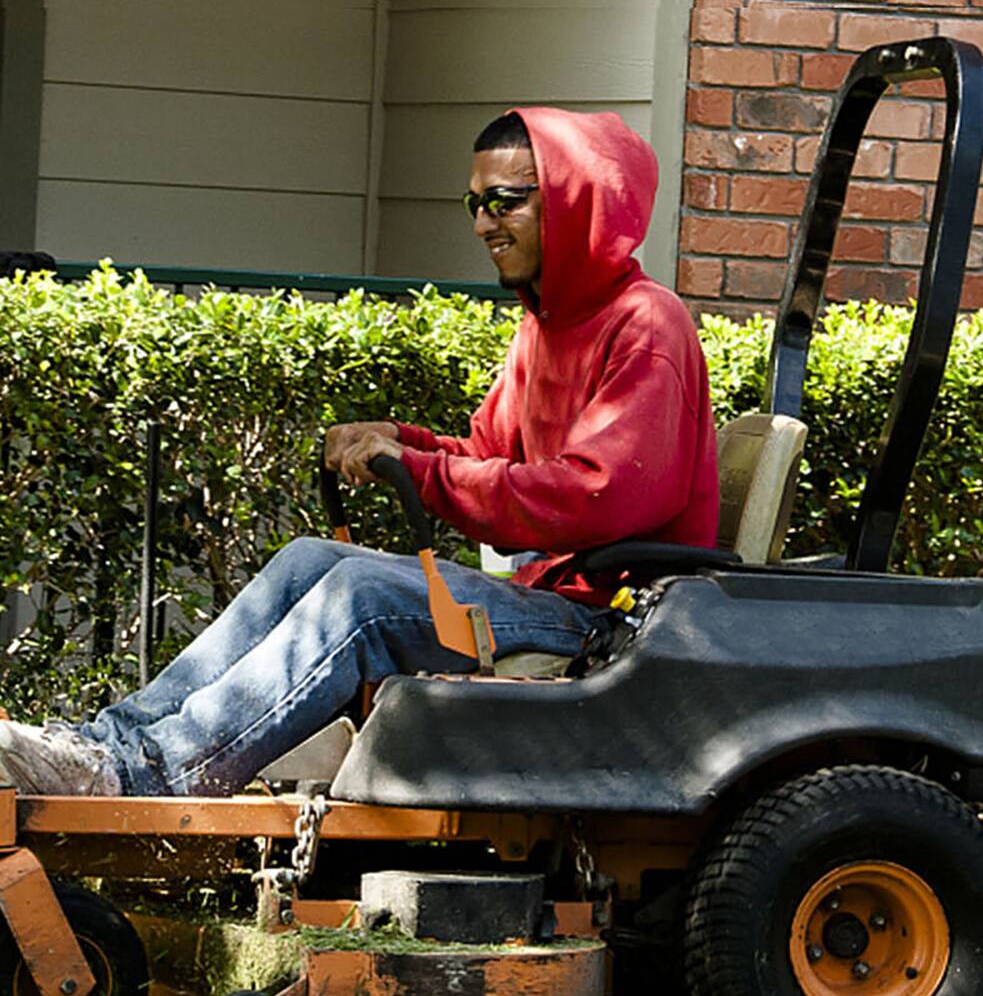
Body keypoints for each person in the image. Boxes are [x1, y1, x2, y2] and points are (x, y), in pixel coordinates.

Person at [0, 108, 718, 799]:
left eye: (504, 202)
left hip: (609, 618)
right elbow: (488, 453)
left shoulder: (646, 325)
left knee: (361, 598)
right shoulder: (548, 322)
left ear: (572, 202)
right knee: (312, 560)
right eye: (471, 203)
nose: (482, 224)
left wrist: (424, 470)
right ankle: (109, 743)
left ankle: (150, 774)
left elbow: (596, 494)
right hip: (548, 595)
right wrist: (403, 441)